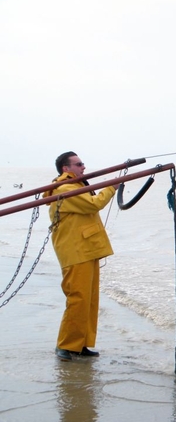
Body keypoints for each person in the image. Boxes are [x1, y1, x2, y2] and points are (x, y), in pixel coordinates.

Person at [44, 152, 119, 361]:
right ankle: (66, 346)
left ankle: (81, 344)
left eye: (83, 163)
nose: (83, 167)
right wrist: (112, 187)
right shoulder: (65, 189)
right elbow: (93, 204)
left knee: (89, 301)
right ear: (65, 169)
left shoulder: (76, 186)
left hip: (85, 249)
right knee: (78, 300)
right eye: (79, 164)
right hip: (76, 252)